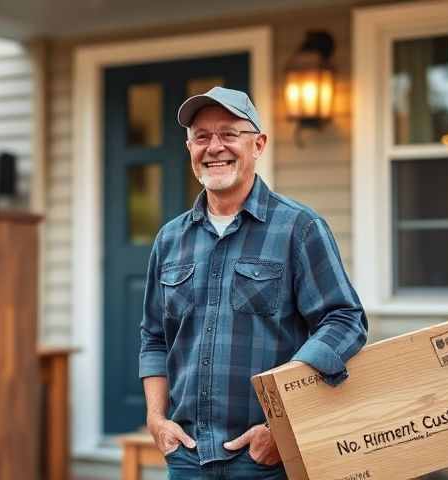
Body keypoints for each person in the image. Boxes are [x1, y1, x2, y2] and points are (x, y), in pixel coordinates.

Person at [139, 87, 368, 479]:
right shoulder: (170, 239)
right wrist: (157, 420)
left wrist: (284, 421)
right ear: (189, 147)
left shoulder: (299, 227)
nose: (214, 147)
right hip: (187, 458)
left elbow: (344, 321)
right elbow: (155, 337)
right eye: (202, 137)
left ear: (258, 144)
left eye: (229, 134)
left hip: (264, 460)